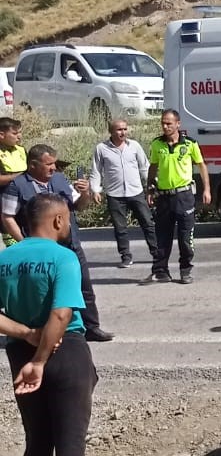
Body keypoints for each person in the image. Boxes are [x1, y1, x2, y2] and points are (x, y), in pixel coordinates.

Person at [0, 194, 97, 456]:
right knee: (70, 435)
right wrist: (41, 358)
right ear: (57, 221)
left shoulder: (4, 259)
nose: (69, 225)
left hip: (19, 353)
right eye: (67, 219)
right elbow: (61, 313)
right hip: (64, 351)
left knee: (37, 438)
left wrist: (26, 335)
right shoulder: (64, 258)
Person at [2, 145, 110, 341]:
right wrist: (25, 243)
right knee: (45, 291)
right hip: (39, 252)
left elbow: (79, 206)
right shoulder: (17, 185)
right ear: (33, 165)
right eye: (48, 164)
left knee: (83, 286)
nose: (53, 168)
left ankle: (91, 327)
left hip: (69, 245)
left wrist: (85, 193)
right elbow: (7, 216)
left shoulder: (60, 179)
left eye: (54, 163)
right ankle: (43, 331)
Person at [146, 110, 211, 288]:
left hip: (184, 196)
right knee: (162, 236)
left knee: (185, 236)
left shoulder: (190, 144)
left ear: (178, 124)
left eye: (169, 123)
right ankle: (161, 270)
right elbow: (153, 167)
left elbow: (201, 165)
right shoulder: (157, 144)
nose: (165, 127)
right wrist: (150, 189)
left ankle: (185, 270)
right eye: (163, 123)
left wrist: (207, 189)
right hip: (164, 197)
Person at [89, 119, 156, 267]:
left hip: (135, 191)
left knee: (148, 223)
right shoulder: (101, 148)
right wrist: (95, 189)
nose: (123, 132)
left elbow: (144, 167)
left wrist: (152, 183)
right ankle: (126, 256)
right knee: (120, 228)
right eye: (119, 130)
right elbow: (96, 170)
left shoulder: (134, 146)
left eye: (125, 129)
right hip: (115, 194)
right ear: (111, 131)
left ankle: (156, 252)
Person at [0, 117, 26, 196]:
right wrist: (23, 176)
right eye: (14, 133)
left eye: (20, 132)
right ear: (1, 135)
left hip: (24, 190)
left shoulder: (21, 149)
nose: (19, 136)